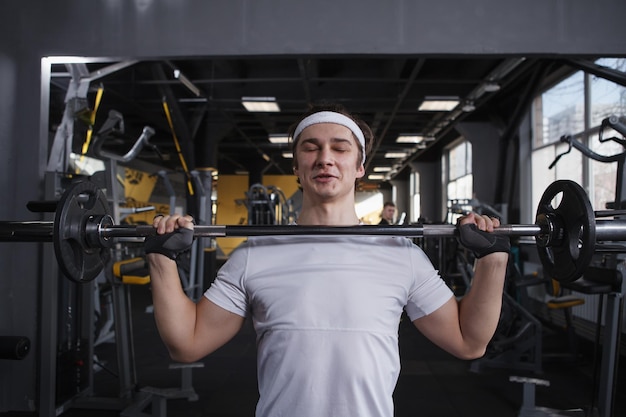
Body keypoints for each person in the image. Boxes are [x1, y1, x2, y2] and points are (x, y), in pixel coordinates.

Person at [145, 103, 510, 417]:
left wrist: (492, 259)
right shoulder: (254, 255)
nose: (325, 158)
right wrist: (162, 257)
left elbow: (468, 341)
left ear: (359, 166)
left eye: (340, 148)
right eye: (311, 148)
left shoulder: (402, 256)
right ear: (296, 166)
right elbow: (187, 343)